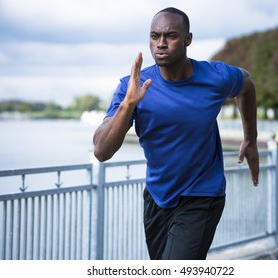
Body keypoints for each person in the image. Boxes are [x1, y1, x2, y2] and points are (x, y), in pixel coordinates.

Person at [93, 7, 259, 260]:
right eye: (154, 36)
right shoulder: (133, 86)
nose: (161, 43)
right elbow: (102, 151)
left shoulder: (216, 77)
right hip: (157, 196)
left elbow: (246, 85)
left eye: (170, 36)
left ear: (187, 40)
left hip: (201, 196)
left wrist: (250, 138)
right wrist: (128, 105)